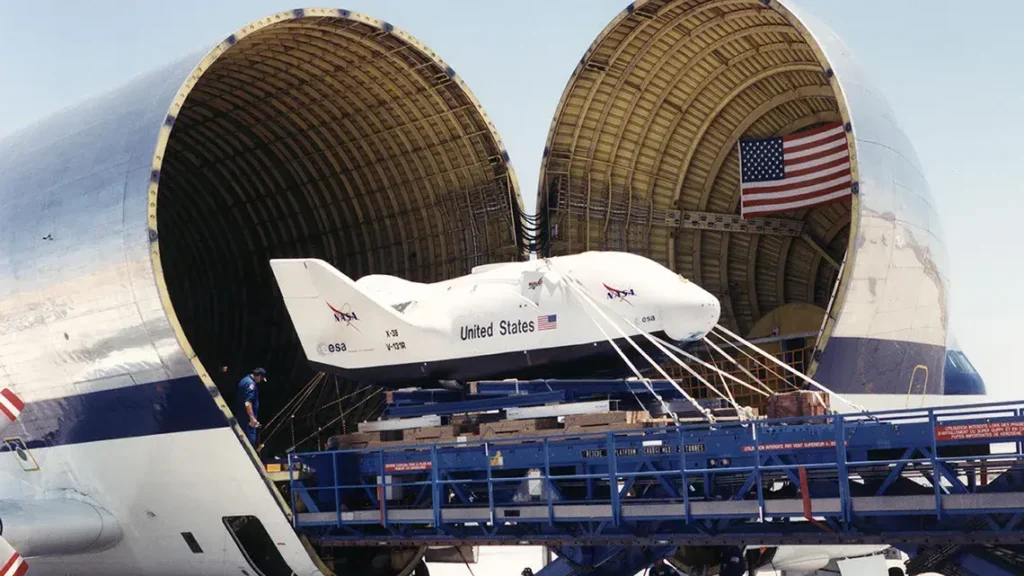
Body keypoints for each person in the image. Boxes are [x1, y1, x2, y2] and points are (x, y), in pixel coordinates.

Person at [237, 368, 267, 445]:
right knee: (250, 441)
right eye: (261, 378)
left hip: (241, 415)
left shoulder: (244, 380)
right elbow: (247, 402)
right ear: (258, 376)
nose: (260, 381)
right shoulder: (251, 385)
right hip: (247, 419)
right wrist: (252, 417)